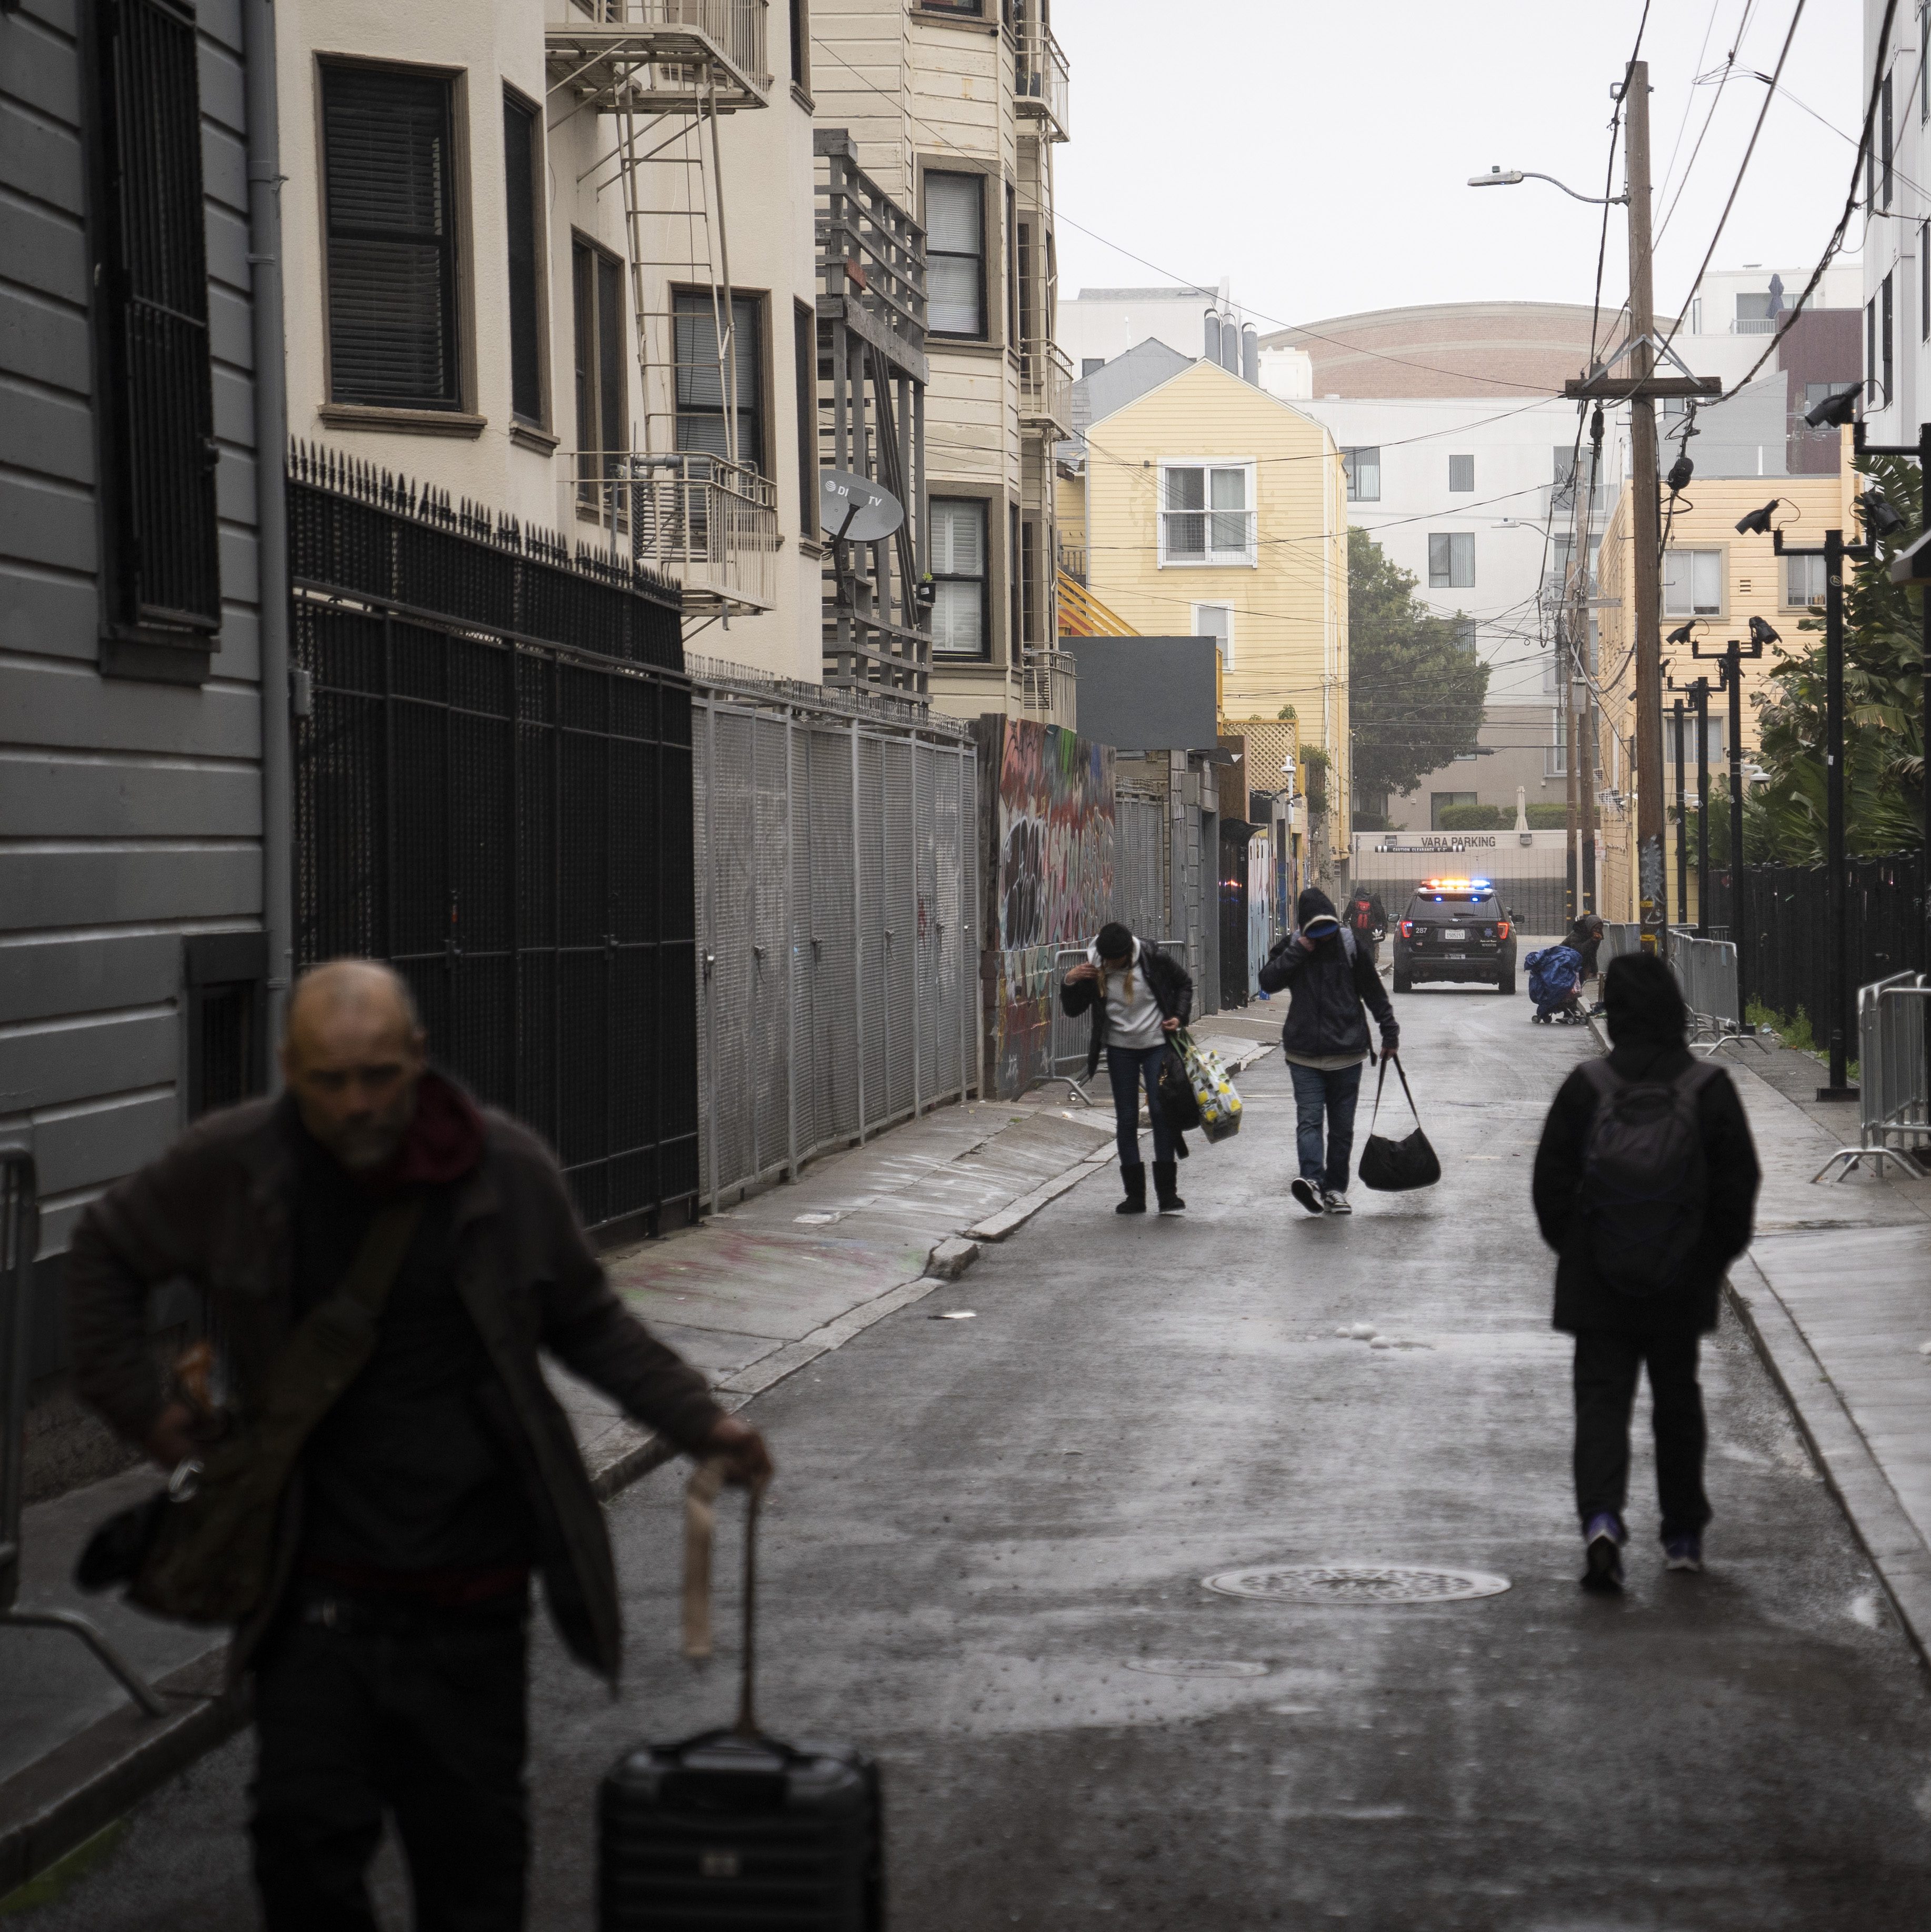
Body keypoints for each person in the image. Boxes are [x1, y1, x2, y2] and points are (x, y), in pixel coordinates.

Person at [66, 960, 772, 1932]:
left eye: (378, 1077)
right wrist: (147, 1415)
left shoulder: (504, 1173)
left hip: (468, 1602)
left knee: (472, 1871)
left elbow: (592, 1323)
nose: (356, 1105)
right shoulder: (236, 1169)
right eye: (329, 1081)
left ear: (418, 1060)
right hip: (310, 1598)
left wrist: (705, 1423)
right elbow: (103, 1249)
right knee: (301, 1857)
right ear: (288, 1070)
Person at [1531, 952, 1760, 1592]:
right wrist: (1707, 1259)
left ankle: (1602, 1517)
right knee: (1677, 1401)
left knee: (1602, 1401)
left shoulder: (1587, 1086)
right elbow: (1737, 1189)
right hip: (1679, 1279)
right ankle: (1683, 1532)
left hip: (1597, 1281)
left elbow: (1549, 1186)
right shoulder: (1707, 1088)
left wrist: (1582, 1250)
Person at [1257, 887, 1399, 1218]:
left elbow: (1374, 993)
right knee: (1308, 1121)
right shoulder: (1294, 946)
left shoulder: (1350, 945)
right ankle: (1312, 1181)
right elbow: (1267, 981)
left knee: (1341, 1128)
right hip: (1303, 1054)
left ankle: (1335, 1190)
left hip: (1347, 1054)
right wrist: (1300, 950)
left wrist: (1389, 1033)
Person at [1061, 921, 1192, 1216]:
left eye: (1113, 961)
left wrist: (1179, 1017)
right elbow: (1073, 1009)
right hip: (1121, 1049)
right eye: (1104, 959)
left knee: (1161, 1112)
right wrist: (1069, 981)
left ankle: (1168, 1195)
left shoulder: (1151, 956)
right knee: (1127, 1118)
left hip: (1157, 1043)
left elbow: (1184, 983)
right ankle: (1135, 1197)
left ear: (1126, 954)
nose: (1108, 964)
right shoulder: (1096, 966)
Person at [1345, 889, 1388, 965]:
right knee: (1370, 946)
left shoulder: (1354, 901)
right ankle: (1370, 964)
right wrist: (1383, 925)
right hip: (1369, 930)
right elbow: (1380, 913)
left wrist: (1345, 920)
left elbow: (1347, 914)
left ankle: (1356, 962)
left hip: (1356, 929)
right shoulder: (1371, 901)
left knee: (1356, 945)